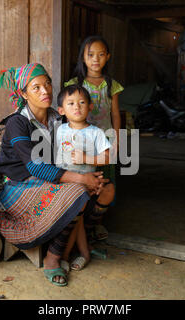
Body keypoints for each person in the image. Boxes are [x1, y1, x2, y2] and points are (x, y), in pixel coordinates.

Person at [0, 63, 107, 287]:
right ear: (24, 94)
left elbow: (69, 151)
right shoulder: (17, 123)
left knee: (99, 187)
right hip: (17, 187)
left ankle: (81, 243)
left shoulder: (58, 118)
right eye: (36, 87)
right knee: (76, 191)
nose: (45, 91)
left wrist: (90, 174)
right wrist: (82, 179)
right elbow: (35, 167)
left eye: (47, 83)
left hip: (48, 180)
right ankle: (53, 258)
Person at [65, 35, 124, 241]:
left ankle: (97, 223)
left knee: (105, 180)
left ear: (108, 57)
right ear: (83, 57)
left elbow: (116, 113)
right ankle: (79, 220)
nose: (95, 59)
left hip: (105, 141)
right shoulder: (75, 83)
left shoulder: (111, 84)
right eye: (90, 55)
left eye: (100, 55)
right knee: (86, 179)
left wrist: (116, 138)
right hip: (83, 141)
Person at [55, 84, 115, 271]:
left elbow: (108, 157)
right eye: (71, 103)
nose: (77, 107)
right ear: (61, 110)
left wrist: (86, 158)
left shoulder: (95, 132)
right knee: (77, 205)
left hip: (89, 181)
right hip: (67, 183)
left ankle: (76, 250)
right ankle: (83, 252)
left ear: (90, 107)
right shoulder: (59, 130)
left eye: (82, 102)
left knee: (107, 190)